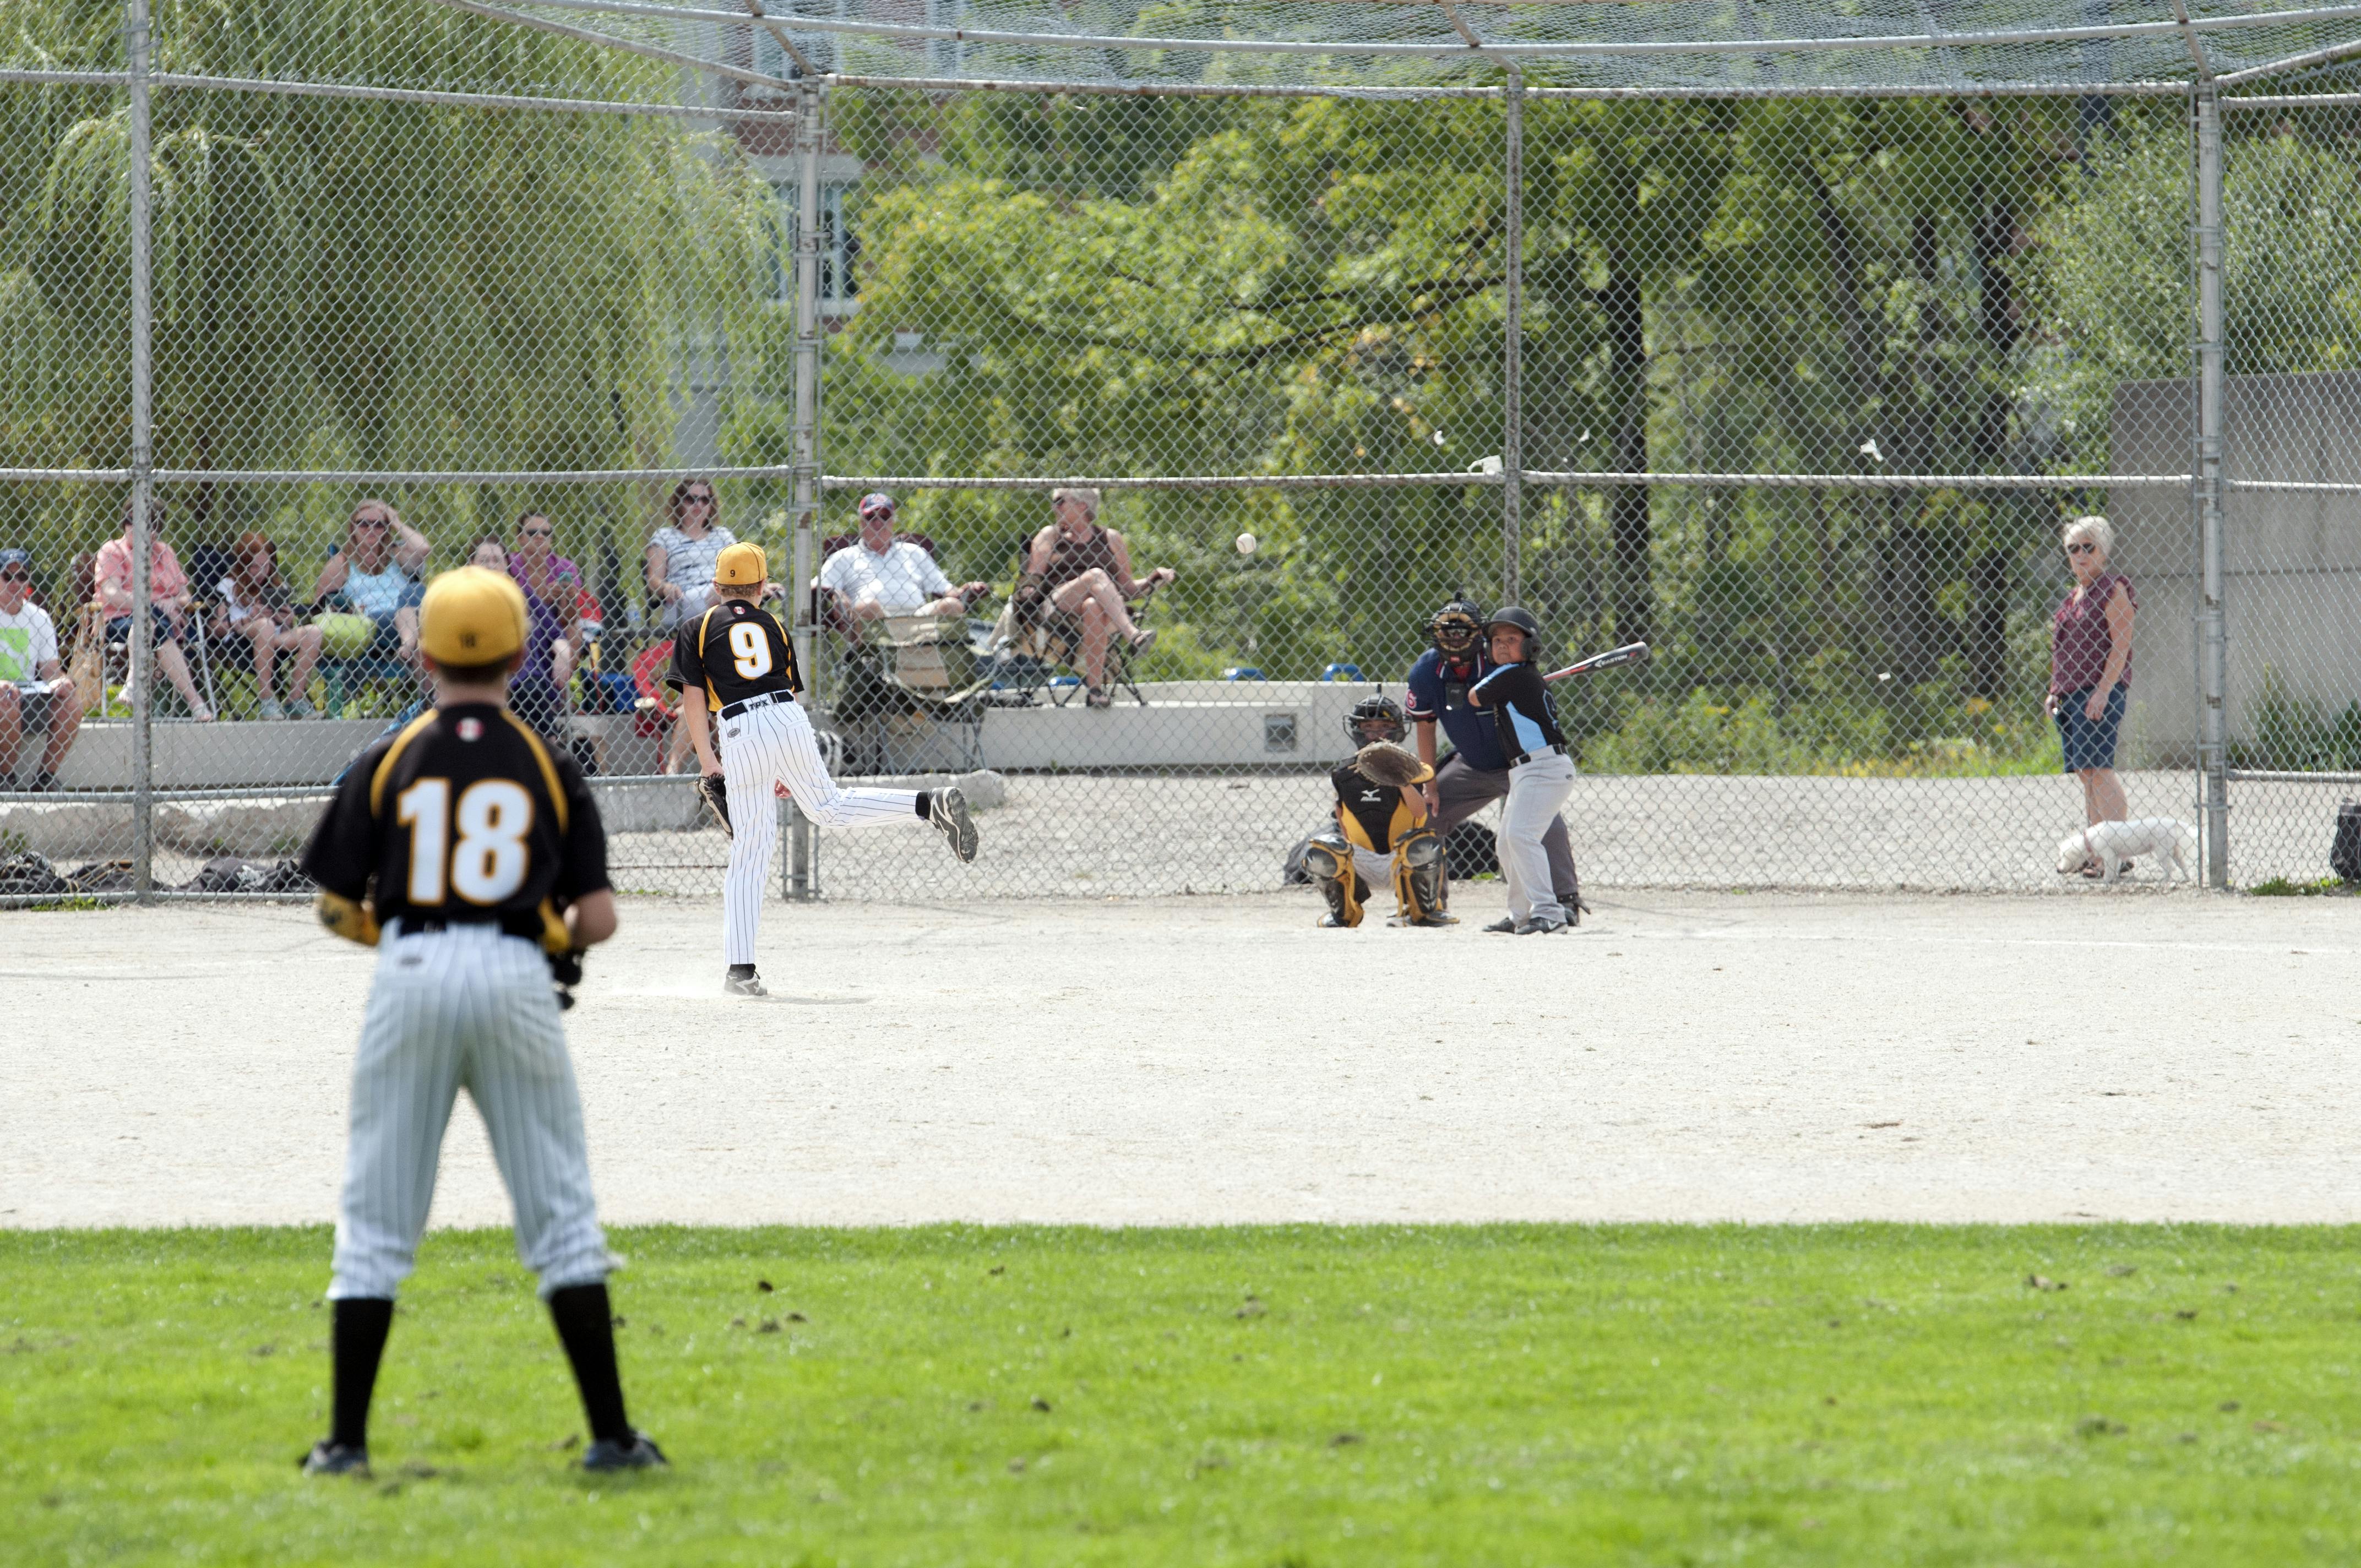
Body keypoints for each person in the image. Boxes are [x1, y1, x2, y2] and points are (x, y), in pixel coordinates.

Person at [296, 565, 663, 1478]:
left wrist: (412, 932)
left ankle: (344, 1443)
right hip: (513, 974)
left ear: (421, 654)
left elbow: (336, 905)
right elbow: (601, 917)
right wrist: (554, 939)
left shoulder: (386, 757)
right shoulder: (548, 761)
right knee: (560, 1212)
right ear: (514, 652)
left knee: (377, 1212)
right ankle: (612, 1437)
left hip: (412, 969)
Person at [669, 542, 978, 998]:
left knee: (751, 851)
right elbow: (790, 695)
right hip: (787, 719)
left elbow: (693, 700)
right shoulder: (773, 625)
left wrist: (709, 762)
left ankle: (741, 972)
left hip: (740, 726)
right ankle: (927, 804)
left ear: (717, 588)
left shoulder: (696, 627)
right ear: (759, 589)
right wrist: (785, 763)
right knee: (828, 805)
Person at [1406, 597, 1584, 927]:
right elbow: (1425, 726)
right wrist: (1429, 783)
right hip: (1471, 764)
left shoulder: (1503, 662)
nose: (1455, 638)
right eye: (1447, 631)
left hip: (1518, 766)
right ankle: (1427, 903)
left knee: (1537, 827)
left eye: (1463, 631)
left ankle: (1562, 901)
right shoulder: (1427, 670)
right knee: (1428, 815)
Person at [1467, 606, 1577, 935]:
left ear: (1530, 646)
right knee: (1506, 843)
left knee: (1521, 836)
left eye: (1512, 639)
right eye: (1496, 640)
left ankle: (1549, 912)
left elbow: (1474, 698)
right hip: (1528, 771)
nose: (1501, 645)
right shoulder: (1519, 677)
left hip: (1544, 768)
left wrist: (1501, 678)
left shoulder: (1513, 674)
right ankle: (1521, 915)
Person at [1301, 694, 1453, 928]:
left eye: (1385, 726)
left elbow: (1420, 813)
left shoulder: (1411, 768)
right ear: (1356, 731)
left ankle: (1422, 912)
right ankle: (1345, 913)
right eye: (1368, 728)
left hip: (1401, 859)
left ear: (1398, 730)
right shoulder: (1344, 773)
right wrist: (1345, 855)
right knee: (1321, 850)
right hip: (1362, 858)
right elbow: (1342, 821)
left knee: (1425, 844)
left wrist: (1400, 779)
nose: (1377, 733)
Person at [1016, 487, 1173, 708]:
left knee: (1093, 606)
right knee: (1096, 575)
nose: (1054, 507)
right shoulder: (1051, 535)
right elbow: (1034, 575)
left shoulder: (1110, 538)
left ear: (1082, 506)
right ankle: (1133, 635)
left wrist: (1152, 579)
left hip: (1101, 611)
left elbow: (1127, 589)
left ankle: (1095, 691)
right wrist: (1027, 592)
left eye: (1060, 501)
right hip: (1060, 606)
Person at [2048, 514, 2136, 872]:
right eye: (2074, 549)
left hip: (2098, 693)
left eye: (2089, 547)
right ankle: (2101, 853)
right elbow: (2064, 650)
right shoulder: (2074, 597)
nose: (2081, 555)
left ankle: (2120, 853)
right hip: (2071, 696)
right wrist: (2055, 690)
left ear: (2104, 551)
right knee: (2087, 773)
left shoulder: (2113, 589)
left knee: (2100, 769)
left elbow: (2121, 647)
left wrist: (2102, 691)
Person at [94, 497, 214, 721]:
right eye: (131, 522)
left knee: (155, 625)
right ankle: (195, 703)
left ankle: (133, 684)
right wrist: (152, 604)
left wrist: (177, 602)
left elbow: (185, 593)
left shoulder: (165, 552)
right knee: (149, 622)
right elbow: (112, 593)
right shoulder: (112, 550)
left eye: (151, 525)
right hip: (122, 619)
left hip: (166, 621)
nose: (138, 529)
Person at [820, 492, 988, 622]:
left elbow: (945, 589)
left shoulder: (914, 552)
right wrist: (838, 596)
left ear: (893, 521)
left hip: (918, 618)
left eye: (884, 517)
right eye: (871, 517)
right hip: (873, 623)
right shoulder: (843, 557)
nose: (878, 524)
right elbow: (819, 586)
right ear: (861, 522)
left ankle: (944, 664)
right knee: (868, 605)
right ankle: (880, 654)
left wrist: (963, 590)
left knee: (952, 606)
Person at [212, 531, 323, 719]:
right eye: (255, 567)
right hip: (242, 640)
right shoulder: (228, 585)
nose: (261, 572)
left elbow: (284, 628)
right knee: (264, 625)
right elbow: (215, 628)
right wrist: (249, 618)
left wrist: (287, 620)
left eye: (266, 566)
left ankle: (295, 700)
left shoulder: (276, 587)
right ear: (243, 565)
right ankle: (267, 699)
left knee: (313, 632)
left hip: (274, 641)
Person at [312, 499, 431, 671]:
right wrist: (343, 609)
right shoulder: (341, 563)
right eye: (363, 524)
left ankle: (408, 645)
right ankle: (410, 643)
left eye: (379, 525)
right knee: (422, 634)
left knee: (416, 589)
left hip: (410, 620)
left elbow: (424, 549)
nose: (371, 530)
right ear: (353, 528)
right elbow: (320, 606)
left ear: (386, 529)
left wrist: (396, 521)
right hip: (369, 624)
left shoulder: (396, 556)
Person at [0, 547, 81, 790]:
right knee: (7, 700)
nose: (16, 583)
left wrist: (61, 682)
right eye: (8, 577)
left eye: (22, 577)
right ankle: (6, 778)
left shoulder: (40, 617)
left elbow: (50, 671)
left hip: (27, 694)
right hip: (4, 696)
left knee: (72, 704)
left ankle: (45, 778)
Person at [494, 518, 583, 739]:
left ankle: (557, 694)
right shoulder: (510, 564)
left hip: (552, 627)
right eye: (533, 532)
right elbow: (521, 605)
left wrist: (567, 598)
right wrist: (545, 596)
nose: (541, 537)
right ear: (520, 538)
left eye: (547, 533)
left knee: (576, 628)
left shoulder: (564, 567)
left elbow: (569, 618)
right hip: (523, 628)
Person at [644, 478, 736, 630]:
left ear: (711, 505)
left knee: (728, 591)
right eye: (691, 499)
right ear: (679, 503)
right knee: (725, 594)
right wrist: (666, 587)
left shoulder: (723, 535)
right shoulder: (665, 536)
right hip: (683, 600)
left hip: (723, 592)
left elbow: (740, 566)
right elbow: (654, 580)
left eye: (705, 500)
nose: (698, 504)